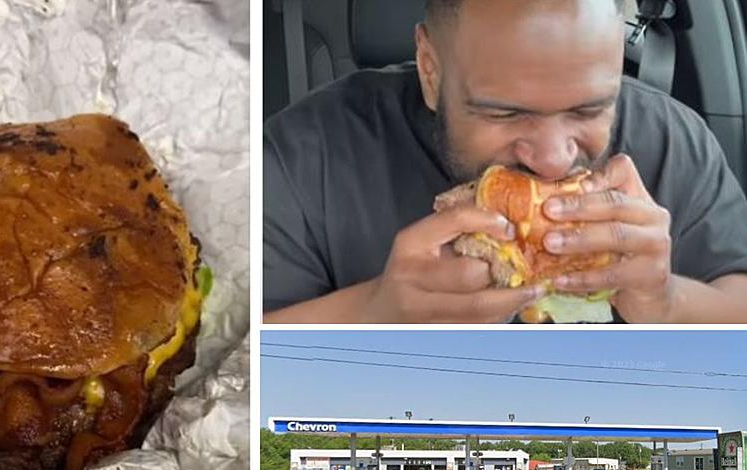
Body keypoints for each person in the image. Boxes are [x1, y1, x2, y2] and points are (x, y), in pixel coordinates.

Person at [263, 0, 747, 323]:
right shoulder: (306, 152)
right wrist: (375, 312)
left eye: (590, 109)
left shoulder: (672, 139)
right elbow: (236, 353)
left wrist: (665, 304)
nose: (555, 162)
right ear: (431, 71)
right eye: (505, 113)